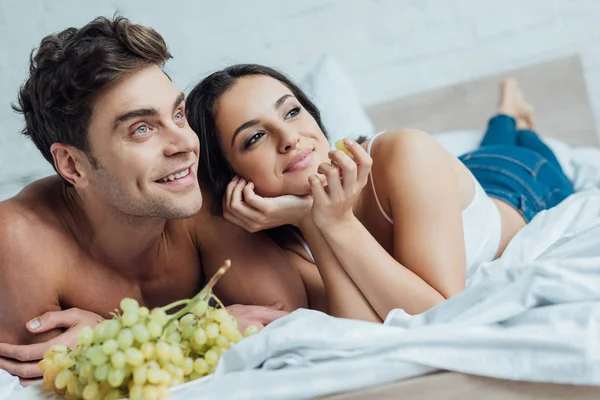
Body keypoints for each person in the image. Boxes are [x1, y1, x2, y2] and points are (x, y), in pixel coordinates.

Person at [0, 18, 308, 386]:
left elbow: (290, 325)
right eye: (142, 129)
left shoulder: (197, 192)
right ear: (72, 164)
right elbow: (51, 386)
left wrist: (112, 336)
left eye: (178, 115)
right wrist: (187, 331)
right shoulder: (19, 238)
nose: (184, 144)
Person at [186, 64, 575, 322]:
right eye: (255, 137)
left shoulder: (406, 151)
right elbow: (364, 329)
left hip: (520, 185)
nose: (289, 138)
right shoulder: (282, 235)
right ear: (229, 174)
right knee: (496, 144)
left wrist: (333, 222)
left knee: (522, 143)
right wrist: (314, 219)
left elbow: (438, 313)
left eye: (291, 112)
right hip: (463, 177)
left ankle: (510, 112)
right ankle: (508, 112)